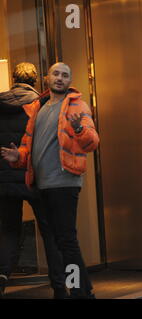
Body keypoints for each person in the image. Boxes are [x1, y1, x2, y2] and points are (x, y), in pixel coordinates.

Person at [1, 62, 99, 299]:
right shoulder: (39, 107)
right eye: (56, 74)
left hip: (64, 183)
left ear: (69, 80)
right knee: (62, 240)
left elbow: (92, 142)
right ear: (46, 78)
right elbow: (29, 146)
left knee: (66, 241)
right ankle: (82, 291)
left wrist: (79, 129)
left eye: (65, 75)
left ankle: (79, 292)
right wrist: (18, 157)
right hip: (41, 185)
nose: (60, 78)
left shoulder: (77, 105)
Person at [0, 62, 66, 299]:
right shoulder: (40, 104)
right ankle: (59, 285)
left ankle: (2, 276)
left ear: (14, 78)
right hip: (34, 178)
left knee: (8, 231)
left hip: (5, 180)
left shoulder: (1, 104)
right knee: (49, 231)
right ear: (36, 80)